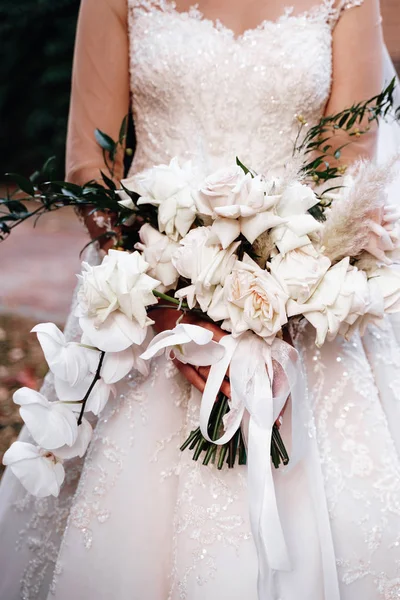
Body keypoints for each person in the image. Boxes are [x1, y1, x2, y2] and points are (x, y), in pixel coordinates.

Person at [1, 0, 400, 598]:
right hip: (143, 296)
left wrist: (279, 296)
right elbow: (94, 165)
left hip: (303, 307)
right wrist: (171, 305)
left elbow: (347, 169)